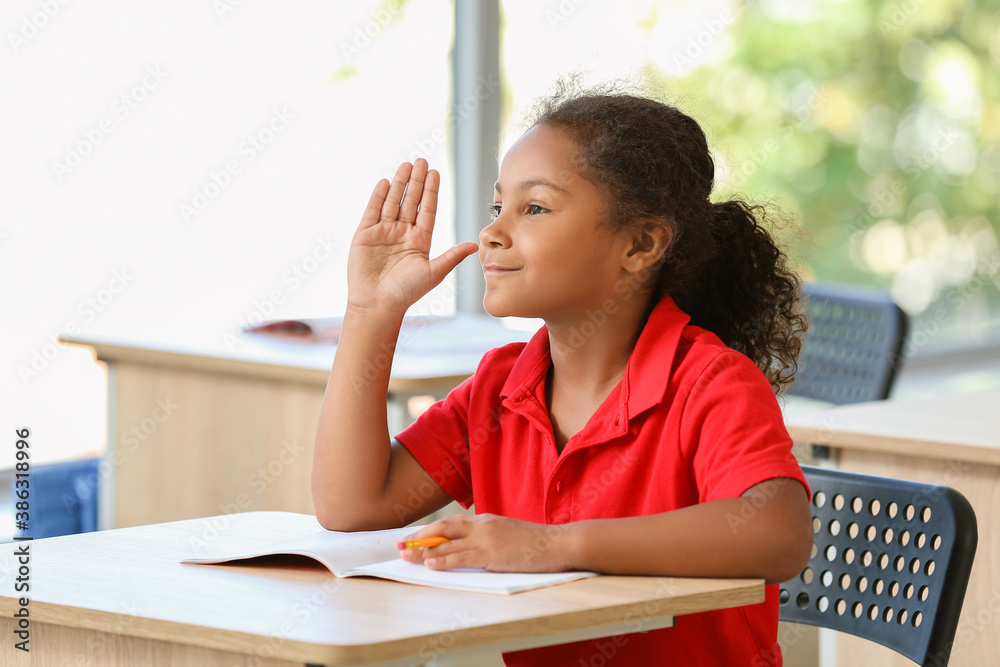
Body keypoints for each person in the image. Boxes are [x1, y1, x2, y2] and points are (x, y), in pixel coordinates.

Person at [312, 88, 814, 666]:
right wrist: (371, 312)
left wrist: (550, 547)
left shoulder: (709, 381)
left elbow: (777, 534)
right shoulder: (500, 386)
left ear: (640, 244)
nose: (493, 234)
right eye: (497, 207)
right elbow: (353, 506)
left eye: (535, 209)